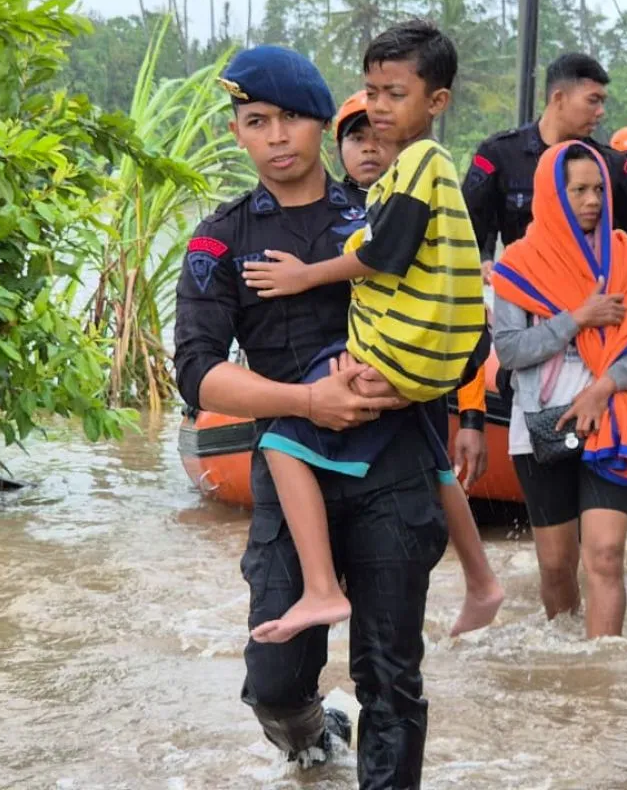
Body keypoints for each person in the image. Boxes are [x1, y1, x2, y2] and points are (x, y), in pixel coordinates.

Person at [174, 44, 440, 783]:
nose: (276, 136)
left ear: (323, 124)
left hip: (392, 464)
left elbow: (463, 330)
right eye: (256, 121)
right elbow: (199, 374)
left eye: (292, 118)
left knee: (391, 676)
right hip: (291, 473)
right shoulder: (219, 239)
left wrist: (401, 383)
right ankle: (311, 737)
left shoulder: (383, 217)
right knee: (275, 675)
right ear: (237, 134)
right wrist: (307, 400)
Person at [258, 84, 505, 643]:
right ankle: (481, 578)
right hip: (390, 368)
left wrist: (470, 414)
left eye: (379, 136)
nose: (370, 148)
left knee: (287, 442)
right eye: (356, 137)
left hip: (401, 366)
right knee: (432, 460)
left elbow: (457, 300)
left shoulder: (401, 211)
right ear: (336, 146)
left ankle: (469, 580)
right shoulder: (359, 207)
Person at [491, 142, 627, 637]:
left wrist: (604, 386)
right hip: (541, 427)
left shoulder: (626, 256)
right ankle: (567, 656)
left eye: (598, 190)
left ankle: (602, 674)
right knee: (555, 564)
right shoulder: (519, 264)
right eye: (579, 191)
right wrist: (578, 319)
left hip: (614, 418)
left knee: (607, 557)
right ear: (553, 194)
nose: (592, 200)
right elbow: (508, 351)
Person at [464, 53, 627, 280]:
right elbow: (469, 230)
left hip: (593, 298)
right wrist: (484, 260)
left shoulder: (612, 165)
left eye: (603, 102)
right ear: (559, 98)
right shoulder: (500, 154)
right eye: (593, 100)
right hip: (525, 294)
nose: (601, 111)